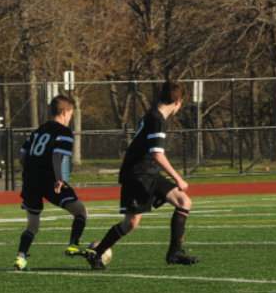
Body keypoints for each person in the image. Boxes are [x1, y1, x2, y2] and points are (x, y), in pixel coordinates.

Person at [85, 80, 199, 270]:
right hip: (138, 175)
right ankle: (97, 253)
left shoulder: (153, 115)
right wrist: (178, 178)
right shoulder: (157, 119)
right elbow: (157, 153)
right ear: (178, 101)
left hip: (150, 173)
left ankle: (175, 252)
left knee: (184, 202)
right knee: (131, 223)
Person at [14, 94, 88, 270]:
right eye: (71, 115)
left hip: (30, 180)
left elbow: (22, 159)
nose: (70, 119)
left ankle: (20, 258)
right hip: (49, 180)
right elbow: (56, 156)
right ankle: (73, 244)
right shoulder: (64, 132)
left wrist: (32, 171)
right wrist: (59, 179)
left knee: (32, 225)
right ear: (64, 112)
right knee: (80, 211)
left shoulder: (37, 131)